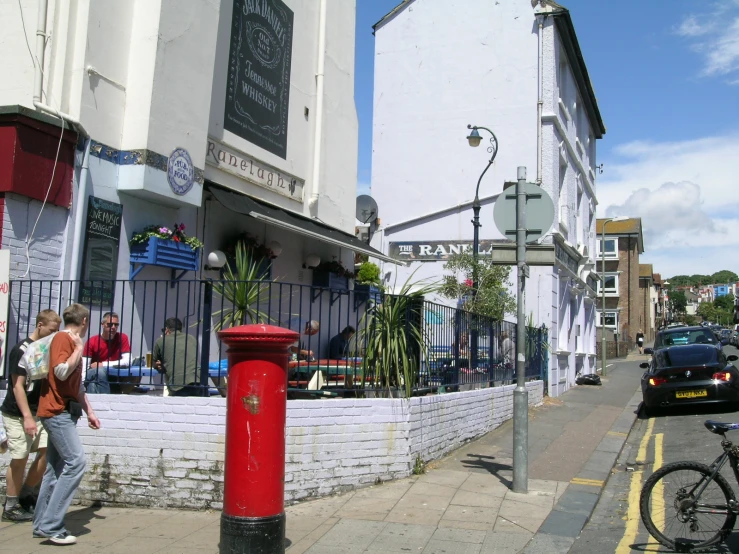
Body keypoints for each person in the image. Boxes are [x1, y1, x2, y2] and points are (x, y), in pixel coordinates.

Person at [33, 303, 101, 545]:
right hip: (56, 411)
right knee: (76, 462)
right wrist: (79, 349)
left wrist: (90, 412)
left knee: (54, 470)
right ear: (84, 321)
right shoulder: (64, 339)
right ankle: (52, 525)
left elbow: (77, 386)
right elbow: (61, 372)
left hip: (63, 411)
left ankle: (42, 524)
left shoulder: (69, 341)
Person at [1, 309, 61, 522]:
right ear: (39, 325)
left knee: (47, 452)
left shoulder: (47, 349)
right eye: (51, 330)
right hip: (17, 413)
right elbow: (17, 387)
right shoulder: (21, 350)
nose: (53, 335)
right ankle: (10, 505)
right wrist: (27, 416)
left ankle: (27, 495)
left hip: (39, 412)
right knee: (20, 457)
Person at [83, 312, 131, 394]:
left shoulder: (122, 338)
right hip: (93, 373)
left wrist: (103, 364)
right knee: (100, 372)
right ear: (103, 324)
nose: (113, 327)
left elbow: (127, 361)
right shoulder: (92, 341)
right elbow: (84, 367)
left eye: (116, 325)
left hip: (112, 376)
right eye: (110, 324)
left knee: (93, 384)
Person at [153, 317, 200, 397]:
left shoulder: (161, 341)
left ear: (167, 329)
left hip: (177, 386)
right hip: (197, 381)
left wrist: (157, 365)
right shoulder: (191, 338)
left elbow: (153, 362)